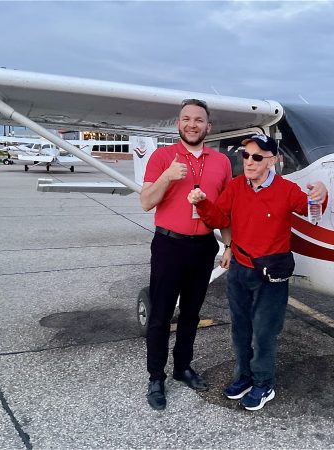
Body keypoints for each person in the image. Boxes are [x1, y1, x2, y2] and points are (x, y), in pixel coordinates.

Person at [187, 133, 327, 411]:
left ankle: (264, 383)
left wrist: (320, 194)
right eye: (246, 155)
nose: (249, 162)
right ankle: (244, 378)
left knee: (263, 333)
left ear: (271, 161)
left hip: (270, 275)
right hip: (239, 270)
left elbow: (313, 212)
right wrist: (201, 202)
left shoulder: (287, 190)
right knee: (240, 330)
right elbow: (218, 218)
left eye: (257, 157)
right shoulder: (237, 186)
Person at [140, 99, 232, 411]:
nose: (192, 124)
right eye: (186, 119)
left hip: (204, 246)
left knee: (191, 314)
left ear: (209, 127)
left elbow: (223, 211)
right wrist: (167, 177)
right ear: (179, 124)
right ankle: (156, 376)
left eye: (198, 120)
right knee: (161, 315)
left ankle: (182, 368)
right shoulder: (162, 156)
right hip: (169, 245)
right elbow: (145, 203)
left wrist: (229, 245)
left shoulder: (221, 162)